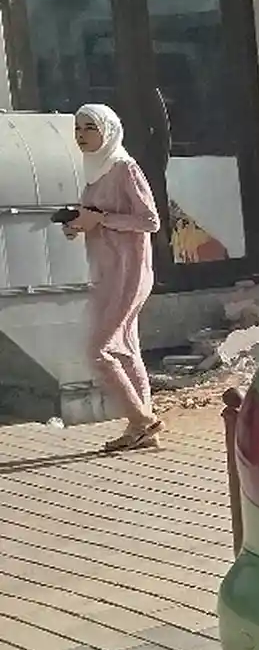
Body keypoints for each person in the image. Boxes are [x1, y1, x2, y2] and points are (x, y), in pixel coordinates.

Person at [63, 105, 164, 454]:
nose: (81, 135)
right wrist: (76, 225)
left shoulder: (125, 168)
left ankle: (141, 419)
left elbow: (150, 221)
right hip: (107, 273)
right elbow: (93, 218)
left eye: (89, 127)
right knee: (127, 350)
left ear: (108, 130)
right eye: (77, 128)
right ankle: (142, 429)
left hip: (130, 272)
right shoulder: (94, 172)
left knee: (99, 350)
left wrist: (101, 219)